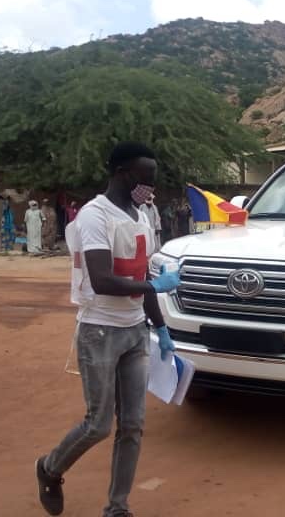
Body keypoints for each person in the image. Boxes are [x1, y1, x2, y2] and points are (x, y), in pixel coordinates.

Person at [36, 142, 181, 517]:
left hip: (135, 332)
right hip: (99, 331)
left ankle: (117, 507)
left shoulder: (142, 216)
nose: (150, 186)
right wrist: (154, 287)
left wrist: (161, 327)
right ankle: (50, 468)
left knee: (133, 425)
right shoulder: (93, 216)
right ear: (122, 173)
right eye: (144, 178)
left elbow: (142, 273)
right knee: (98, 424)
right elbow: (101, 279)